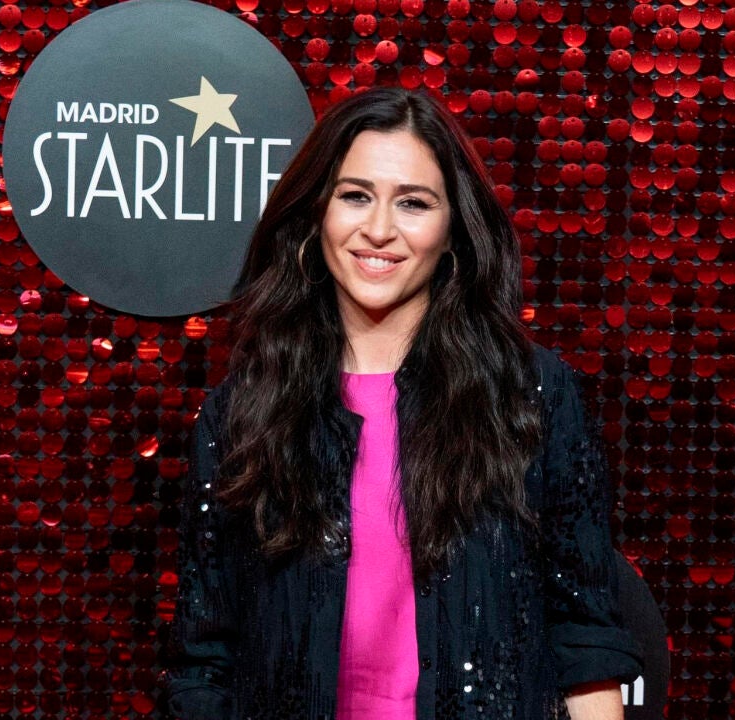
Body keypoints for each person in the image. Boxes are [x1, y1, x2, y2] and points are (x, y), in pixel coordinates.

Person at [163, 87, 643, 719]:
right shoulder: (243, 414)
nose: (380, 229)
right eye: (355, 195)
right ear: (316, 213)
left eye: (413, 202)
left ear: (452, 231)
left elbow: (584, 636)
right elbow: (204, 660)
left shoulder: (529, 394)